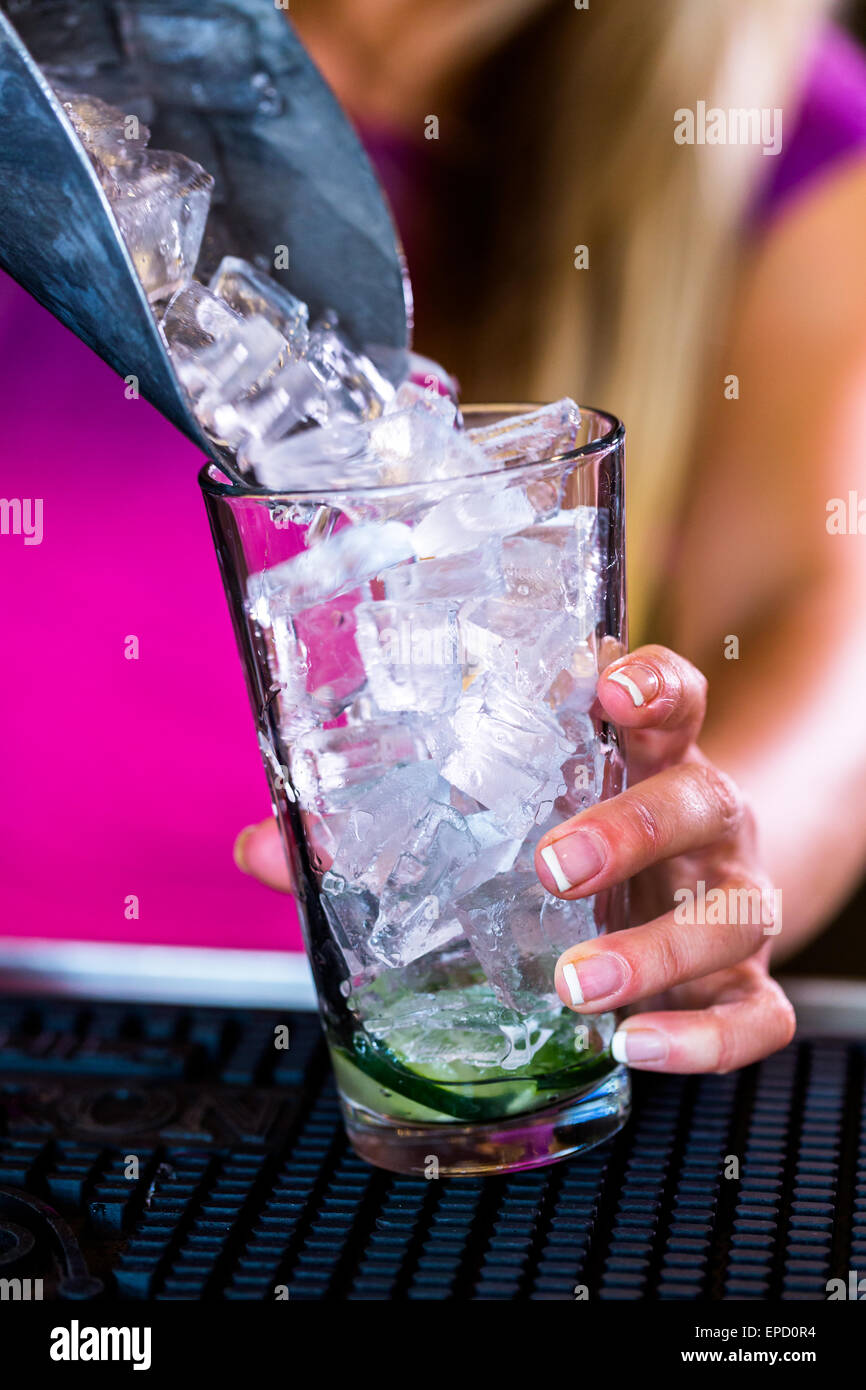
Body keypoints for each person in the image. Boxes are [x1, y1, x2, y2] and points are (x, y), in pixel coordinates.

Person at [2, 0, 866, 1073]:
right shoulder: (61, 67)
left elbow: (823, 638)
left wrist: (673, 878)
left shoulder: (778, 121)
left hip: (454, 1059)